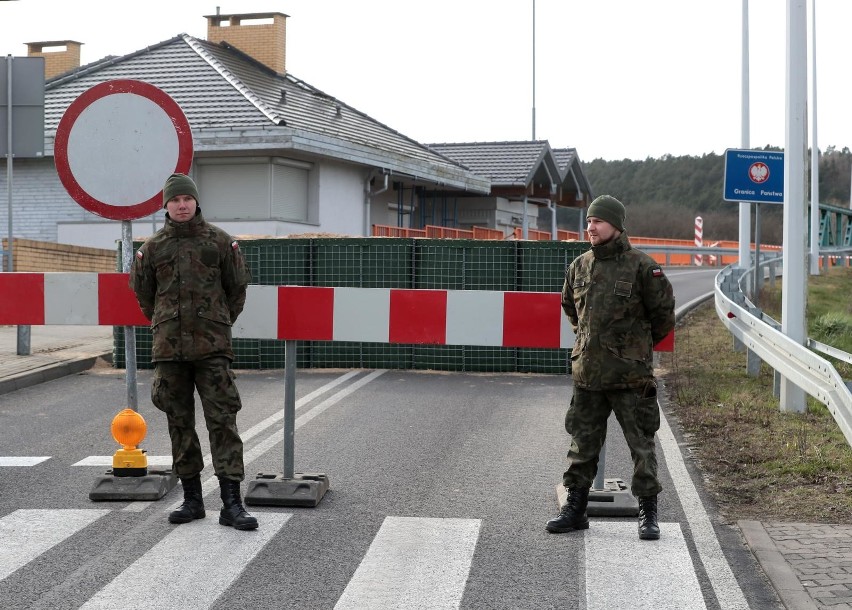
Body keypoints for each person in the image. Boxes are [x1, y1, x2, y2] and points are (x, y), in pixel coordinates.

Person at [130, 172, 258, 531]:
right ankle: (192, 500)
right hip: (169, 350)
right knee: (179, 422)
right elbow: (144, 296)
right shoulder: (152, 249)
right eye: (175, 200)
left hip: (212, 348)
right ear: (166, 206)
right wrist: (168, 324)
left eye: (187, 199)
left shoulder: (219, 242)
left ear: (196, 202)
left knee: (223, 421)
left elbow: (237, 290)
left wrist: (215, 322)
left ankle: (232, 504)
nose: (181, 205)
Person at [546, 195, 675, 540]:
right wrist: (593, 343)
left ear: (617, 226)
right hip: (588, 374)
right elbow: (572, 311)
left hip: (631, 377)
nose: (591, 227)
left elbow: (663, 318)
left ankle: (648, 513)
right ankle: (575, 509)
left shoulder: (643, 268)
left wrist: (632, 348)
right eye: (588, 221)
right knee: (582, 446)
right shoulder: (579, 267)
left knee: (641, 446)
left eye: (598, 221)